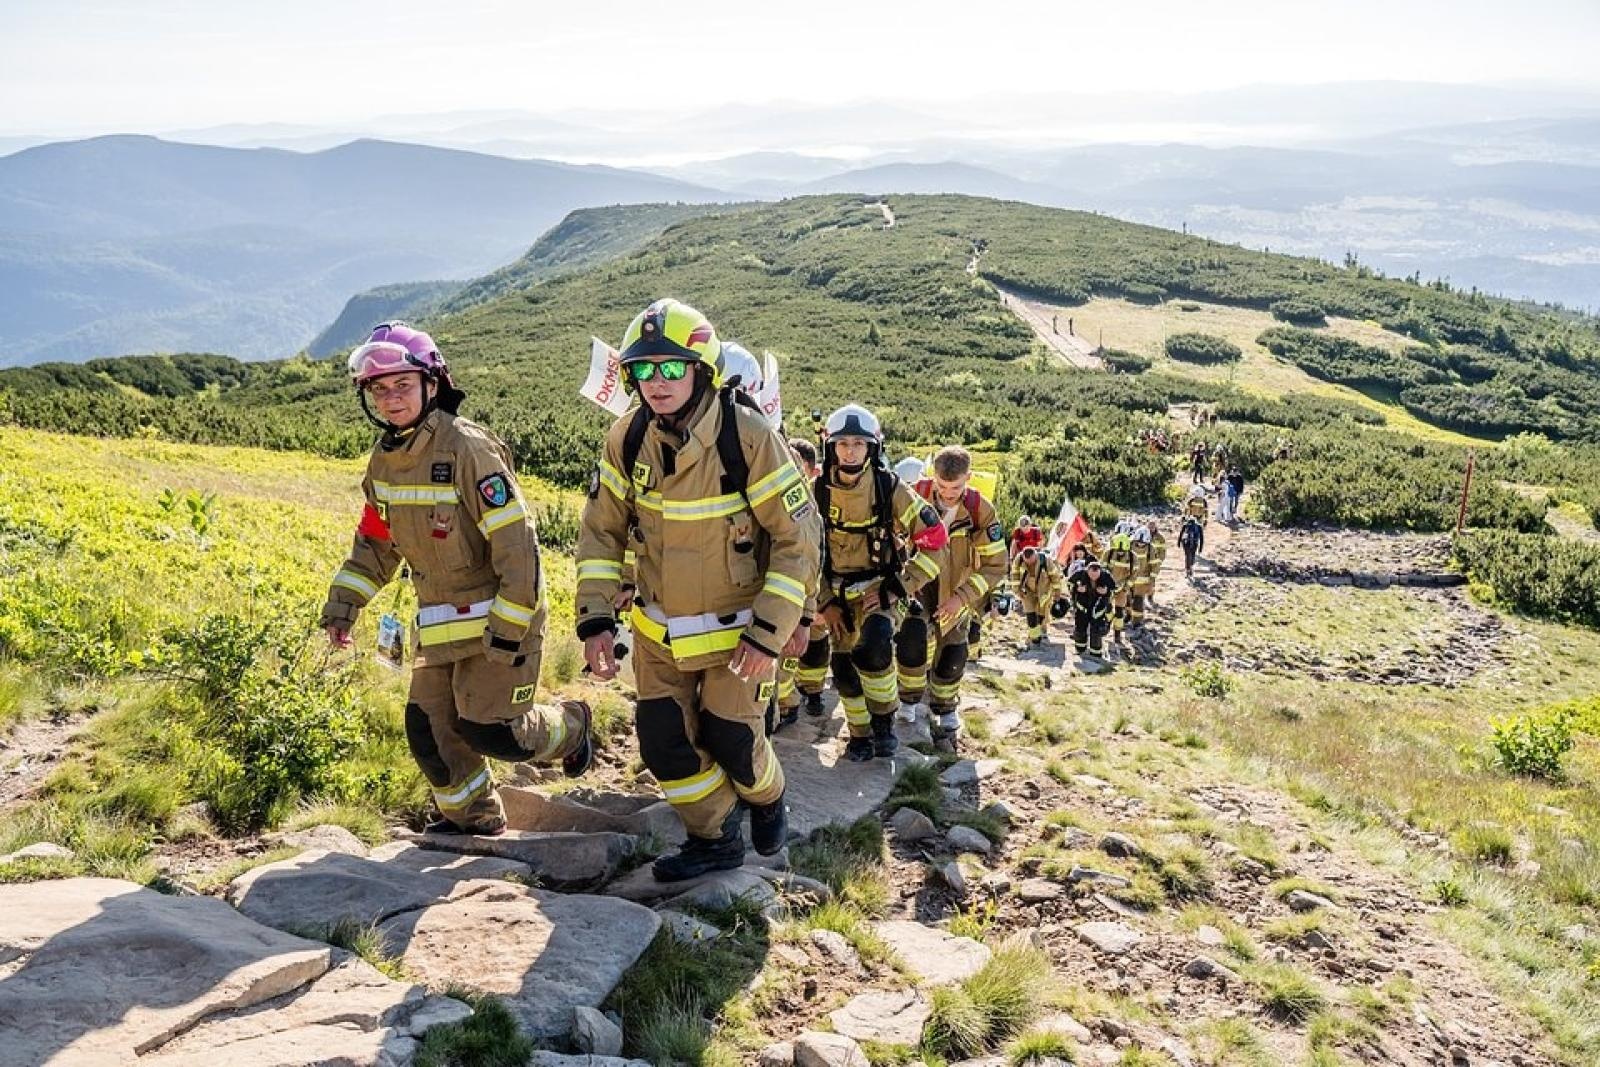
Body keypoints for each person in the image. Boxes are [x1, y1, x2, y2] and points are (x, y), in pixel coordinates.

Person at [575, 298, 822, 881]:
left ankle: (767, 796)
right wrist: (593, 621)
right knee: (664, 744)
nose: (655, 382)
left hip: (739, 636)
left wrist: (769, 634)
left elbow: (796, 541)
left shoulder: (749, 437)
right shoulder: (627, 439)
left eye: (670, 367)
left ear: (701, 369)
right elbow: (601, 532)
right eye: (642, 369)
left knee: (733, 739)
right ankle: (714, 836)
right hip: (658, 634)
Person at [321, 323, 593, 836]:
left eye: (402, 385)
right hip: (439, 622)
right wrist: (343, 607)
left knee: (493, 732)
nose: (390, 398)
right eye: (379, 389)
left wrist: (511, 626)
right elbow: (376, 546)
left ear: (432, 383)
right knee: (429, 731)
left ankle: (573, 726)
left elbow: (518, 546)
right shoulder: (383, 464)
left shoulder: (469, 449)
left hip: (500, 616)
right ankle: (474, 818)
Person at [811, 405, 948, 761]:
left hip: (882, 591)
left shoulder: (891, 489)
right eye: (843, 444)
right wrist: (825, 601)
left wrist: (899, 586)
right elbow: (799, 552)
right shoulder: (815, 493)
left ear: (873, 447)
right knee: (842, 672)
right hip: (836, 596)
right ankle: (859, 735)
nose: (851, 451)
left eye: (859, 443)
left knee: (873, 649)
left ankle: (884, 726)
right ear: (831, 447)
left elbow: (935, 539)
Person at [895, 447, 1008, 747]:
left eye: (955, 488)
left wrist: (962, 597)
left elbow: (996, 565)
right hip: (917, 582)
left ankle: (945, 708)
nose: (947, 494)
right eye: (941, 487)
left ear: (968, 479)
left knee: (953, 650)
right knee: (911, 641)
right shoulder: (913, 495)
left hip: (957, 586)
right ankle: (908, 701)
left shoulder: (980, 511)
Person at [773, 437, 822, 732]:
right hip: (779, 590)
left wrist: (810, 607)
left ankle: (788, 703)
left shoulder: (812, 506)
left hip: (805, 593)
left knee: (791, 653)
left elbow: (815, 558)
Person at [1010, 544, 1062, 645]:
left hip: (1044, 590)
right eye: (1027, 562)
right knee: (1030, 613)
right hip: (1027, 590)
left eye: (1032, 562)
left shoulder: (1046, 560)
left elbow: (1055, 577)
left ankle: (1042, 631)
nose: (1030, 564)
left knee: (1041, 613)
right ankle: (1035, 639)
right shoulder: (1019, 559)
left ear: (1036, 556)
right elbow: (1014, 575)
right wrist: (1017, 590)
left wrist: (1057, 592)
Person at [1068, 557, 1116, 658]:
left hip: (1098, 607)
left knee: (1096, 630)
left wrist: (1106, 592)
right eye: (1091, 575)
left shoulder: (1106, 576)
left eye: (1096, 575)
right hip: (1082, 606)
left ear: (1100, 572)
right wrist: (1077, 589)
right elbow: (1069, 583)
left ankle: (1096, 653)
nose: (1094, 578)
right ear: (1087, 570)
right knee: (1080, 628)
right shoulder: (1080, 574)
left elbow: (1114, 589)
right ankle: (1080, 649)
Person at [1104, 527, 1137, 648]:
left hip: (1122, 589)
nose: (1120, 552)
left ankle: (1117, 635)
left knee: (1119, 612)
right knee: (1106, 609)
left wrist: (1126, 587)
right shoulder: (1108, 553)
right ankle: (1107, 622)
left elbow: (1134, 575)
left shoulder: (1133, 558)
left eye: (1122, 551)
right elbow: (1103, 569)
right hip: (1108, 587)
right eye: (1118, 550)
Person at [1129, 525, 1156, 631]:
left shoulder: (1150, 549)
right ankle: (1127, 618)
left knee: (1138, 602)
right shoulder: (1130, 545)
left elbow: (1155, 564)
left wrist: (1152, 579)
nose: (1140, 544)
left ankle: (1137, 622)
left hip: (1142, 581)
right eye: (1138, 542)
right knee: (1127, 601)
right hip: (1130, 579)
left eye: (1143, 543)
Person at [1178, 514, 1204, 579]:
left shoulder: (1185, 525)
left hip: (1186, 543)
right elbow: (1201, 538)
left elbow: (1181, 534)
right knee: (1192, 555)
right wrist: (1200, 548)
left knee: (1187, 556)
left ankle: (1188, 570)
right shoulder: (1199, 527)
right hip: (1194, 543)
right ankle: (1191, 568)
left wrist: (1178, 542)